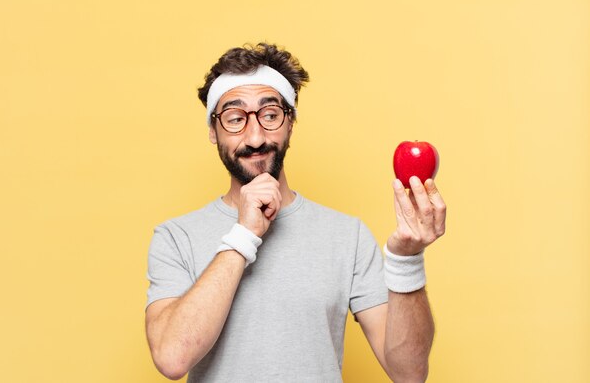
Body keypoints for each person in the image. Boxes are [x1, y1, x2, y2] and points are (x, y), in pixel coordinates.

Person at [145, 43, 446, 382]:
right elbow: (172, 358)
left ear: (290, 123)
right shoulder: (175, 237)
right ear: (213, 132)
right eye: (235, 119)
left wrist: (408, 260)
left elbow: (409, 373)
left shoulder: (347, 236)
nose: (256, 136)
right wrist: (244, 235)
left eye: (270, 115)